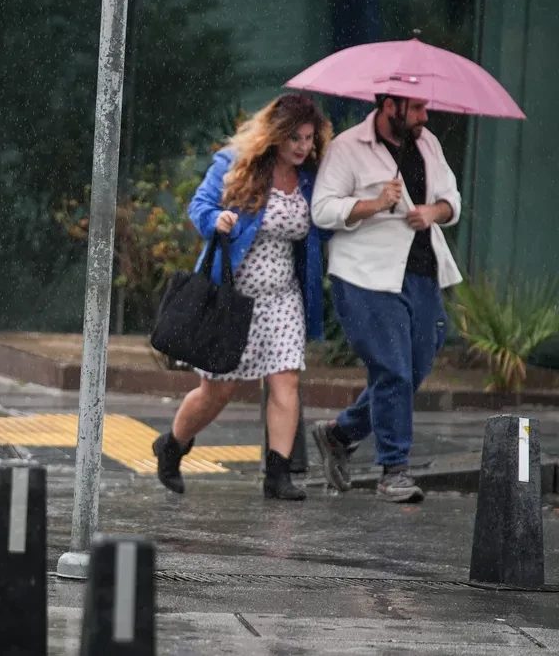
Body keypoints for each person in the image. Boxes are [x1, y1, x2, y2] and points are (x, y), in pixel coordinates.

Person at [153, 94, 331, 501]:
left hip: (283, 297)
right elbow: (199, 205)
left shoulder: (311, 178)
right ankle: (173, 445)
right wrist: (216, 219)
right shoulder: (236, 163)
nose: (303, 147)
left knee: (286, 381)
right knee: (218, 390)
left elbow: (329, 219)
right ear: (274, 136)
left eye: (309, 138)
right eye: (294, 139)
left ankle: (279, 474)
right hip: (233, 298)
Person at [310, 95, 460, 504]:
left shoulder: (427, 143)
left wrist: (433, 212)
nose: (424, 116)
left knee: (413, 368)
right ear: (390, 105)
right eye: (416, 109)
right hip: (364, 274)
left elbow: (453, 201)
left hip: (421, 271)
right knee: (392, 369)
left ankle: (339, 433)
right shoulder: (348, 147)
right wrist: (374, 204)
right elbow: (322, 210)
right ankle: (394, 470)